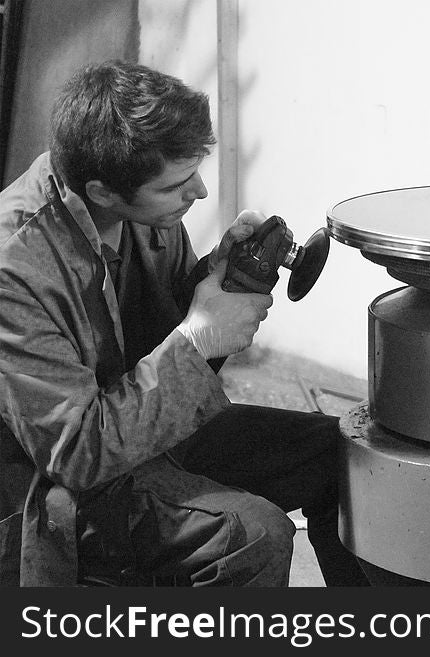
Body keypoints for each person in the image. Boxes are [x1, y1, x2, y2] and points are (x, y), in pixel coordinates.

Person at [0, 60, 369, 586]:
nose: (197, 191)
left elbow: (157, 344)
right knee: (251, 536)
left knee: (346, 459)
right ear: (103, 191)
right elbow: (78, 455)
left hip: (143, 433)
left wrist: (223, 278)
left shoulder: (142, 212)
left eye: (196, 170)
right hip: (55, 486)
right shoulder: (14, 270)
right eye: (176, 184)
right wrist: (198, 339)